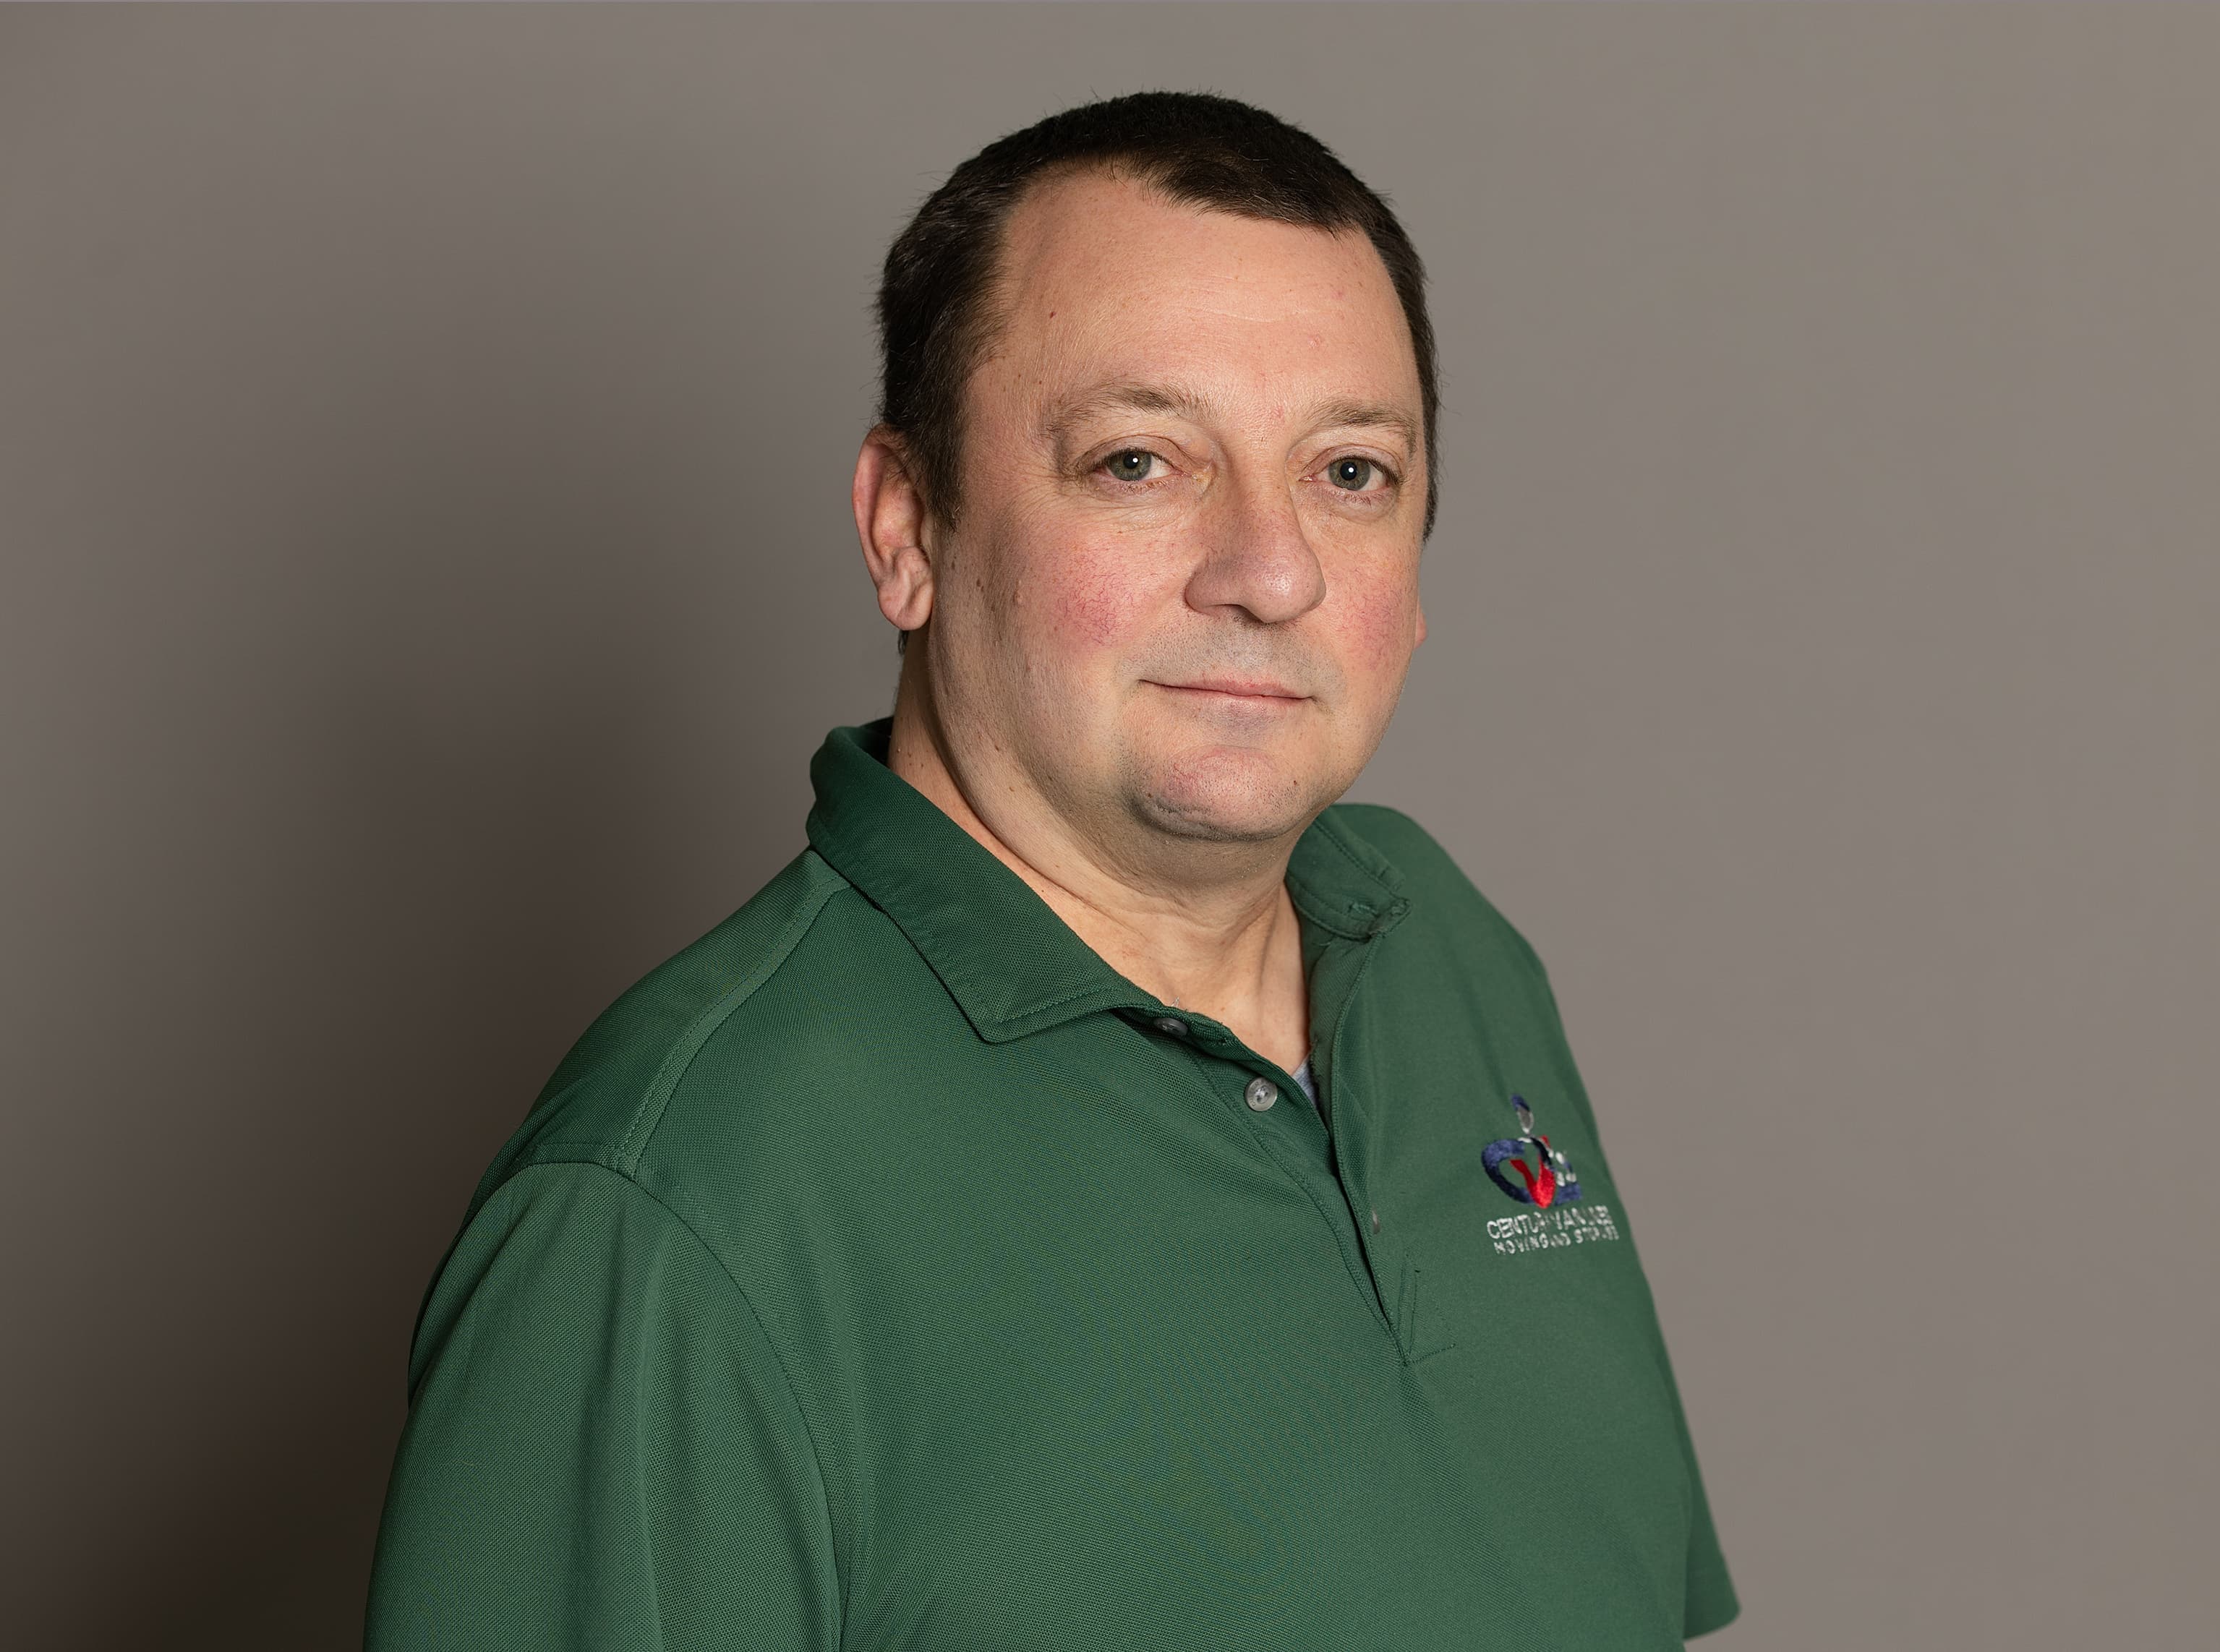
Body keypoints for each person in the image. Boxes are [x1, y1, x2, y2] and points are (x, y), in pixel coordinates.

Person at [366, 90, 1738, 1650]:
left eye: (1349, 471)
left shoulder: (1441, 947)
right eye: (1141, 461)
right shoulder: (676, 1204)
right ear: (907, 527)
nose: (1271, 570)